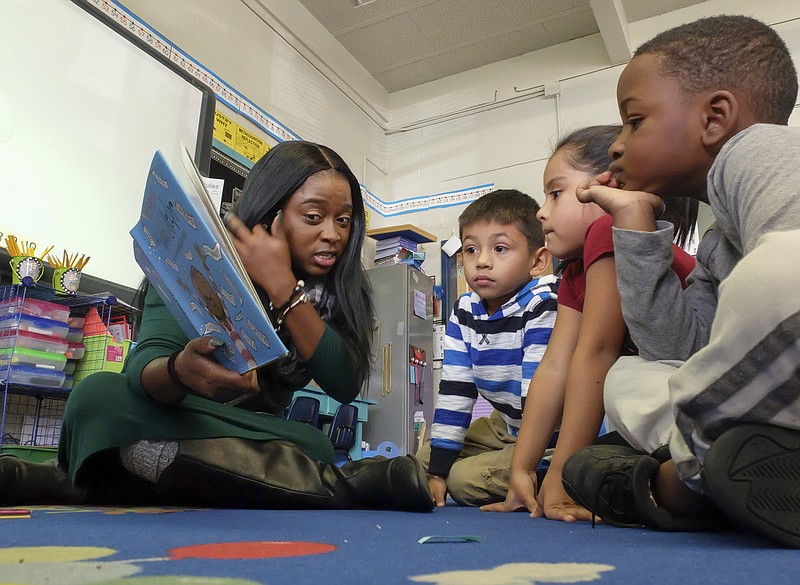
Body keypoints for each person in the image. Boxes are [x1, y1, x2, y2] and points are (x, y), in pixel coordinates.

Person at [0, 141, 433, 512]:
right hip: (180, 415)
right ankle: (334, 487)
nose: (334, 235)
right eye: (314, 216)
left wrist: (284, 289)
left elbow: (344, 381)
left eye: (344, 220)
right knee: (97, 397)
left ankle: (84, 478)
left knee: (310, 444)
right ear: (272, 213)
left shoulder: (335, 292)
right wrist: (179, 372)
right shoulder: (199, 258)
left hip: (253, 431)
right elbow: (143, 369)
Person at [561, 15, 800, 547]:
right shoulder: (718, 244)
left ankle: (683, 483)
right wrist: (635, 224)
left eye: (634, 121)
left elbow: (789, 281)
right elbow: (676, 348)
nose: (618, 145)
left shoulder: (759, 149)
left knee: (777, 274)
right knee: (627, 376)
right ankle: (731, 468)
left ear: (715, 118)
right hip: (771, 402)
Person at [482, 125, 696, 521]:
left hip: (695, 392)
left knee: (619, 381)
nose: (541, 211)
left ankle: (699, 470)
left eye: (556, 192)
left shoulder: (609, 230)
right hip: (665, 407)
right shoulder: (574, 273)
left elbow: (596, 354)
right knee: (595, 461)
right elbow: (555, 365)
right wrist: (521, 469)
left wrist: (561, 476)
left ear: (606, 186)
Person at [417, 189, 558, 507]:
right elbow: (456, 393)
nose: (481, 261)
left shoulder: (543, 303)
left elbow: (541, 397)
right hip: (506, 423)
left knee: (465, 481)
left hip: (551, 431)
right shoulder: (464, 310)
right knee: (425, 460)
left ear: (537, 261)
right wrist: (437, 473)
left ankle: (556, 473)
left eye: (500, 248)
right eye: (470, 249)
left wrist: (524, 461)